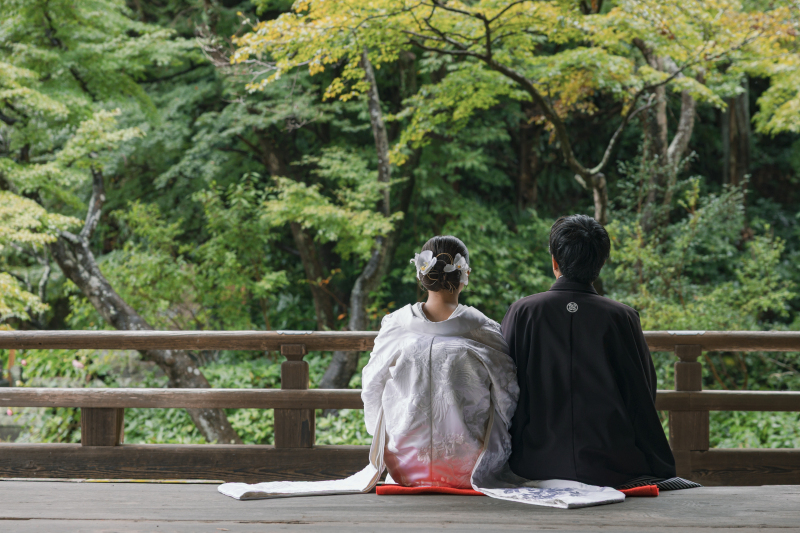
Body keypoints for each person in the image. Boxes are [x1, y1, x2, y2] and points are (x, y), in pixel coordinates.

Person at [219, 235, 625, 508]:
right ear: (464, 274)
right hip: (469, 466)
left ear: (421, 274)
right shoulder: (482, 328)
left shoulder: (396, 325)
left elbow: (371, 390)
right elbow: (508, 395)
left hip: (403, 465)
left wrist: (387, 435)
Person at [501, 214, 685, 490]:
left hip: (533, 462)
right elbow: (642, 392)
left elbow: (503, 389)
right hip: (611, 465)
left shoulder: (524, 312)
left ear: (555, 262)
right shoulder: (622, 317)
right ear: (601, 263)